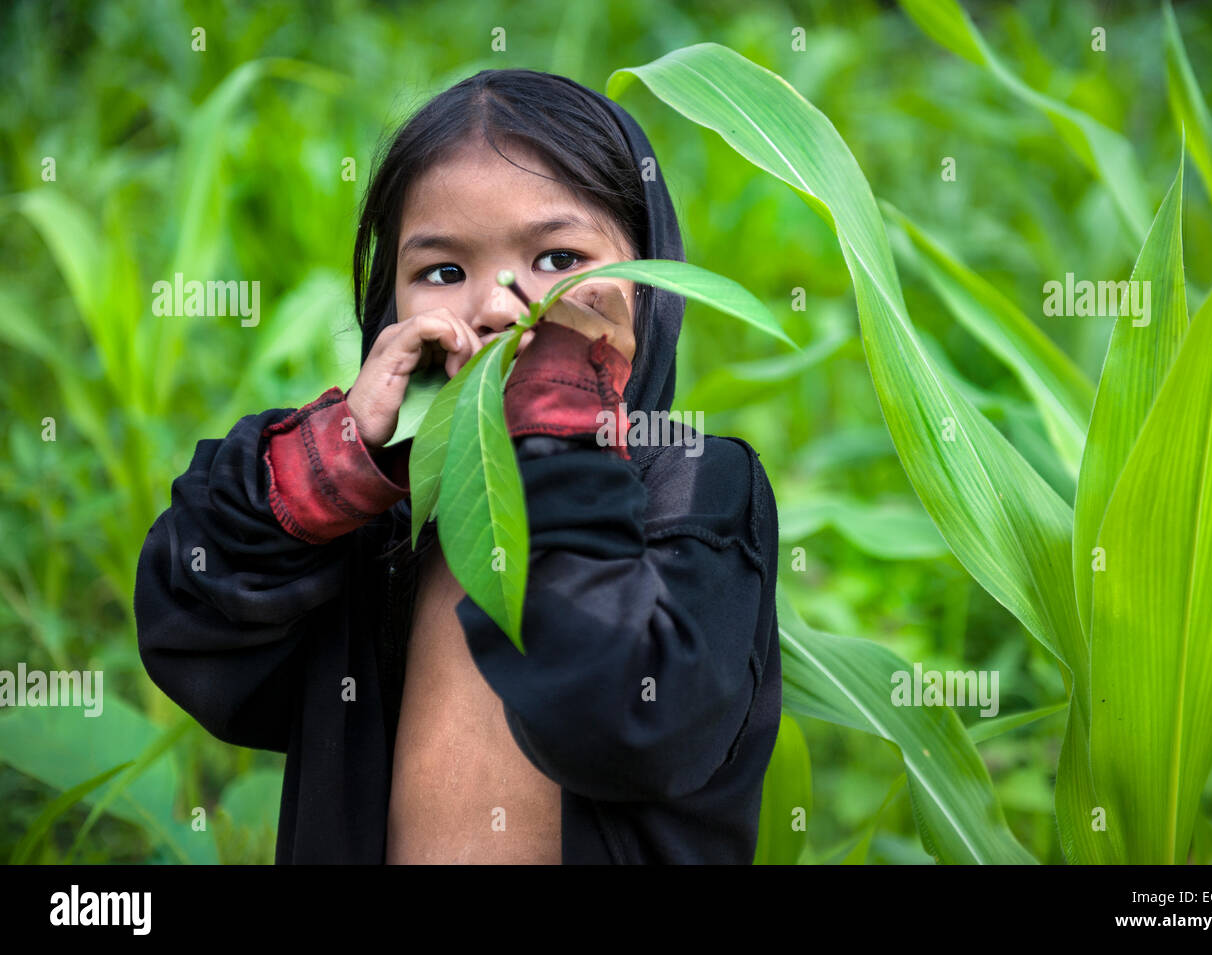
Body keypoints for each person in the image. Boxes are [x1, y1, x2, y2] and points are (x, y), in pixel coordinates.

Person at [134, 68, 782, 864]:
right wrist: (333, 462)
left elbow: (640, 727)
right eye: (443, 272)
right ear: (388, 307)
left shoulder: (695, 487)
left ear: (651, 279)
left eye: (556, 257)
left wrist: (556, 447)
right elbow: (187, 633)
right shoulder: (377, 523)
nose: (501, 307)